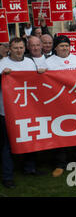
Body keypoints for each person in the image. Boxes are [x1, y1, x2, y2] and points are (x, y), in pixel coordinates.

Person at [0, 37, 45, 188]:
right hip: (7, 111)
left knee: (30, 139)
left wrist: (41, 74)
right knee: (7, 144)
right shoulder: (2, 64)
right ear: (9, 50)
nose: (19, 51)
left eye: (21, 48)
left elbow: (36, 84)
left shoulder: (29, 63)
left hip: (28, 110)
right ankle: (7, 176)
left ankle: (29, 168)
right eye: (15, 48)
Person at [45, 35, 76, 177]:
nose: (64, 48)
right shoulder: (48, 62)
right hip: (58, 103)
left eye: (66, 45)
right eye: (61, 46)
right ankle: (60, 164)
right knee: (59, 134)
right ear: (55, 48)